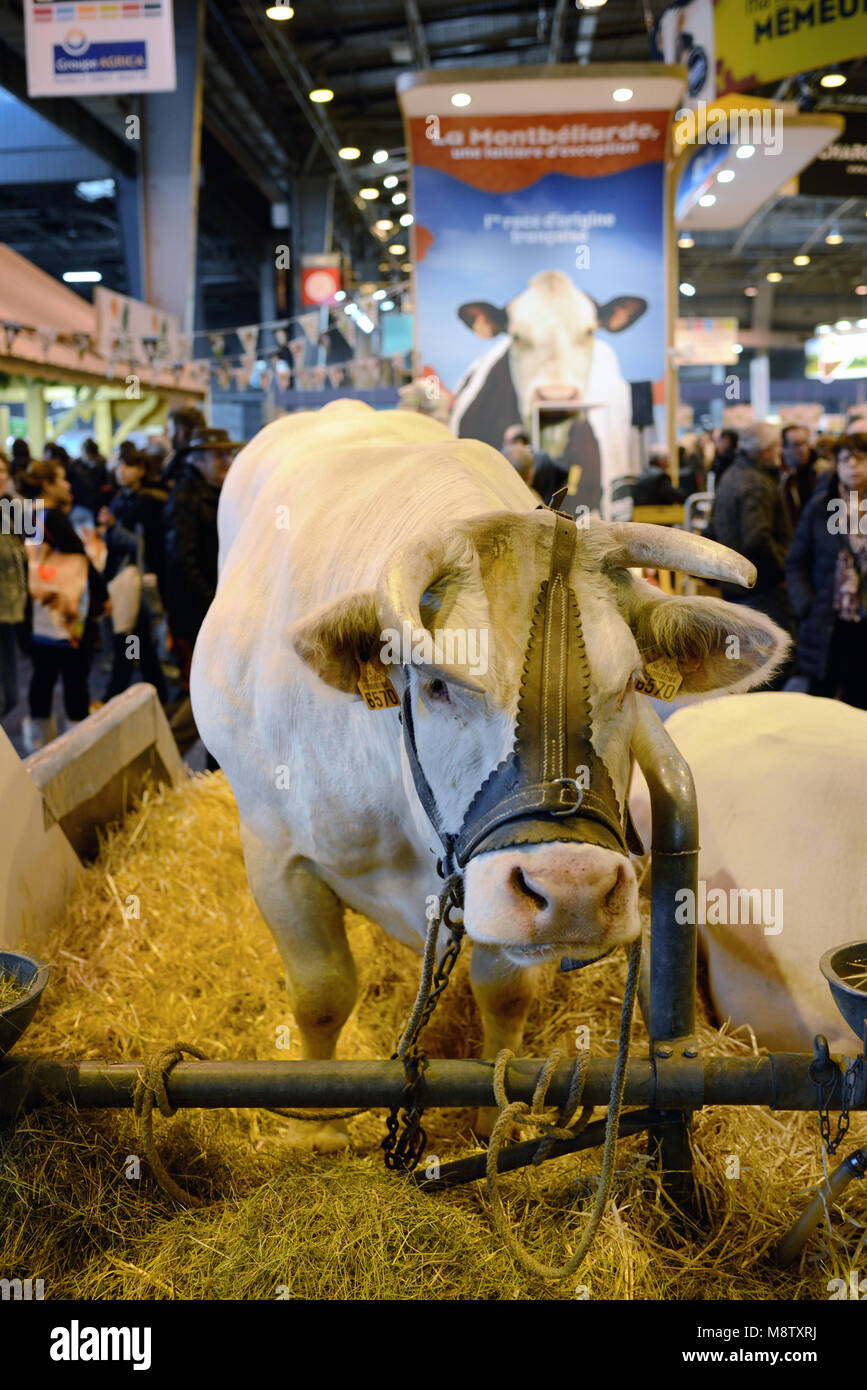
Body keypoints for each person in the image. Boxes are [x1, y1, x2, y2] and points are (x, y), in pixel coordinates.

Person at [19, 460, 109, 751]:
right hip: (64, 611)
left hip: (36, 611)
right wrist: (102, 595)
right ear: (47, 484)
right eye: (62, 479)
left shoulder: (25, 513)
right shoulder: (52, 516)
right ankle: (78, 747)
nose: (68, 485)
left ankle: (38, 743)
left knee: (42, 676)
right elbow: (80, 559)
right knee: (74, 677)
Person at [163, 428, 241, 760]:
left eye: (227, 454)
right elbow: (181, 561)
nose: (226, 461)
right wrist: (214, 605)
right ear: (196, 460)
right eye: (217, 455)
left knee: (218, 690)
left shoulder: (219, 493)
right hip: (198, 616)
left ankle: (216, 768)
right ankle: (163, 755)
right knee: (206, 690)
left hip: (214, 611)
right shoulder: (186, 499)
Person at [785, 433, 867, 709]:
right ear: (837, 465)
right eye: (845, 459)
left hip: (863, 621)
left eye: (860, 458)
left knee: (860, 704)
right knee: (821, 705)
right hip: (827, 620)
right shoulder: (821, 507)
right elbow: (796, 561)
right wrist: (806, 605)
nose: (853, 466)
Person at [710, 421, 794, 659]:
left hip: (734, 585)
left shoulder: (730, 475)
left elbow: (712, 528)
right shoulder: (757, 482)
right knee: (770, 663)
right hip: (760, 589)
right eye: (778, 447)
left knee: (745, 661)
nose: (781, 452)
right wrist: (781, 574)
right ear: (766, 450)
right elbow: (757, 539)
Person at [96, 451, 167, 702]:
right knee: (138, 638)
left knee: (127, 635)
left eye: (128, 466)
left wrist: (113, 527)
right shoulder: (120, 499)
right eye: (119, 466)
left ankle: (117, 689)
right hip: (122, 576)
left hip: (135, 577)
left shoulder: (148, 501)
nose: (121, 470)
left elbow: (140, 544)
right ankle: (157, 688)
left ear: (141, 470)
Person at [0, 452, 28, 716]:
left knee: (11, 697)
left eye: (3, 471)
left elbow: (29, 544)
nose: (0, 476)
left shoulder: (9, 507)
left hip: (11, 611)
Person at [501, 425, 561, 505]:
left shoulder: (509, 459)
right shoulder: (543, 457)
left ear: (519, 442)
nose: (504, 447)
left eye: (507, 442)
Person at [779, 424, 822, 529]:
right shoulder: (777, 475)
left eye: (805, 443)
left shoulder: (818, 471)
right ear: (783, 448)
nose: (803, 449)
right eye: (796, 445)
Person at [161, 406, 207, 489]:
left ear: (181, 433)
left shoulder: (187, 464)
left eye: (170, 430)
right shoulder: (206, 457)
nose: (168, 435)